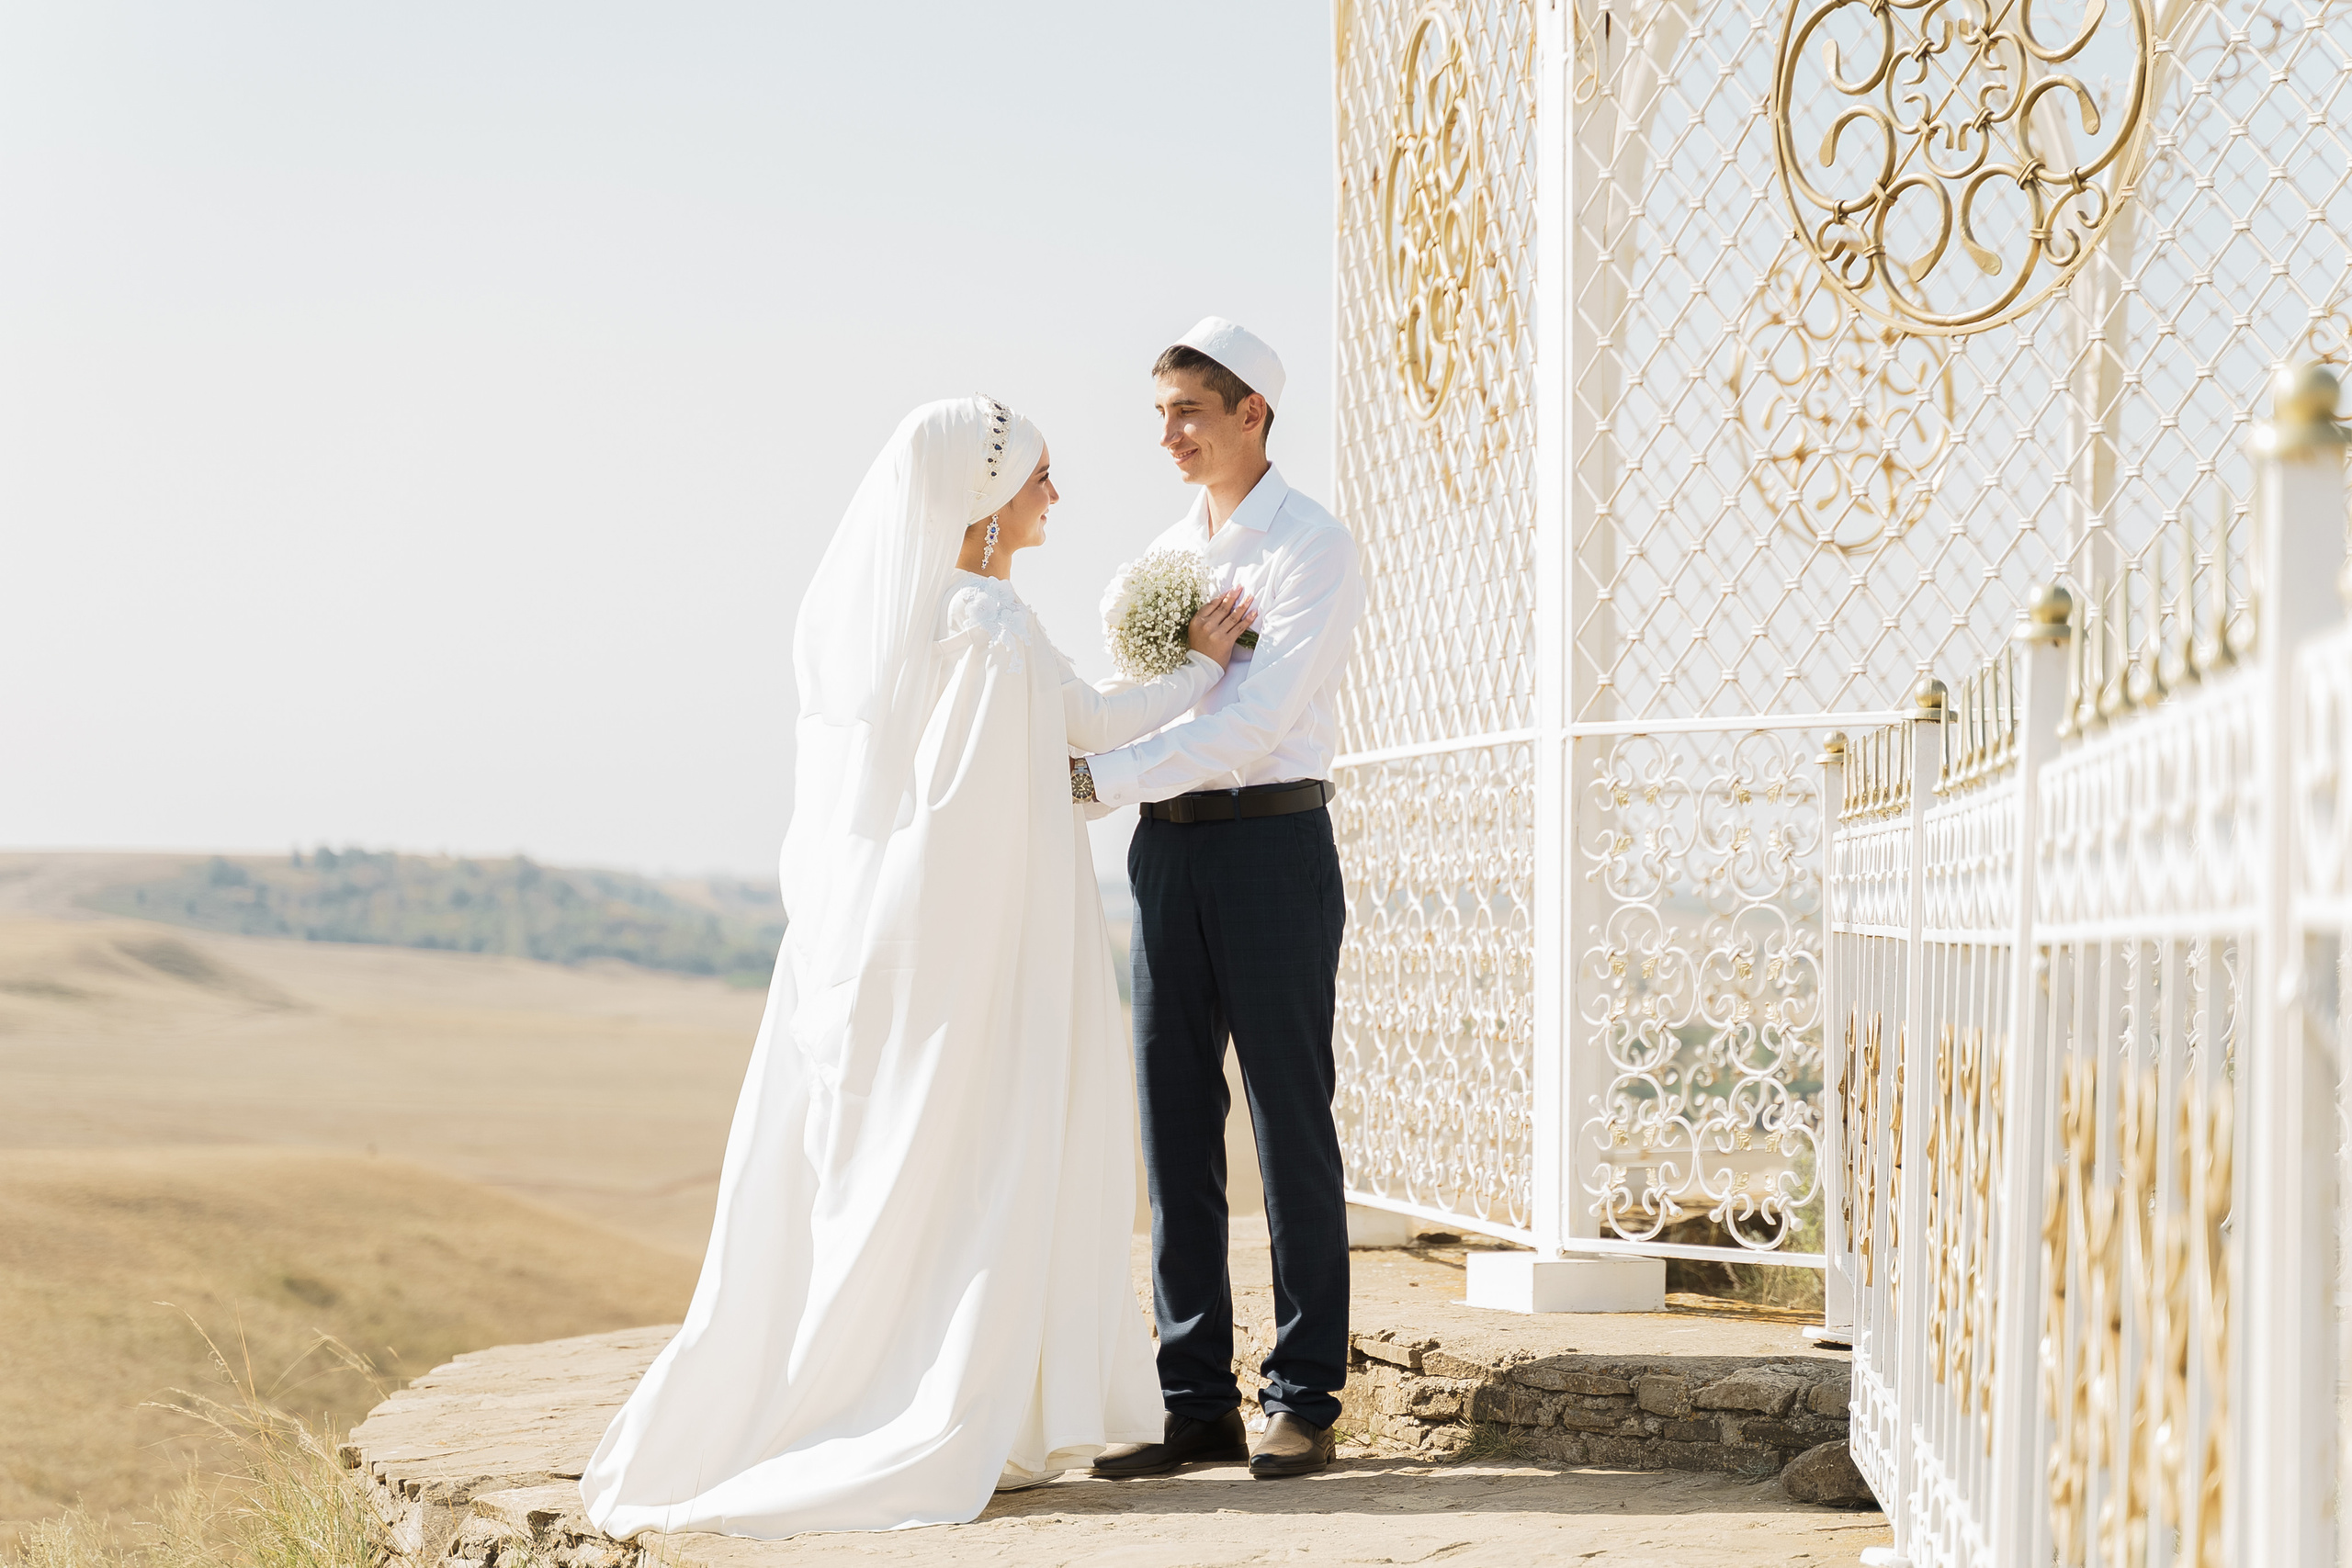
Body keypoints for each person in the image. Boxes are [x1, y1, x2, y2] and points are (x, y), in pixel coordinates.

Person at [579, 394, 1259, 1539]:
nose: (1056, 496)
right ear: (988, 501)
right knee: (985, 1144)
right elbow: (1086, 729)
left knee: (911, 1150)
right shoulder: (988, 621)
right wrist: (1202, 668)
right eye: (1041, 477)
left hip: (888, 935)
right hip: (976, 937)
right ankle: (948, 1394)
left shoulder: (904, 614)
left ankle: (902, 1372)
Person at [1072, 318, 1366, 1482]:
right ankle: (1194, 1402)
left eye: (1188, 411)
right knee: (1174, 1120)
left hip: (1271, 846)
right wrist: (1088, 758)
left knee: (1290, 1121)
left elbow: (1257, 722)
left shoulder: (1312, 547)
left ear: (1253, 412)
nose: (1169, 436)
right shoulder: (1160, 556)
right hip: (1165, 852)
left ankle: (1303, 1397)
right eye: (1160, 414)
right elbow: (1137, 698)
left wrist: (1096, 782)